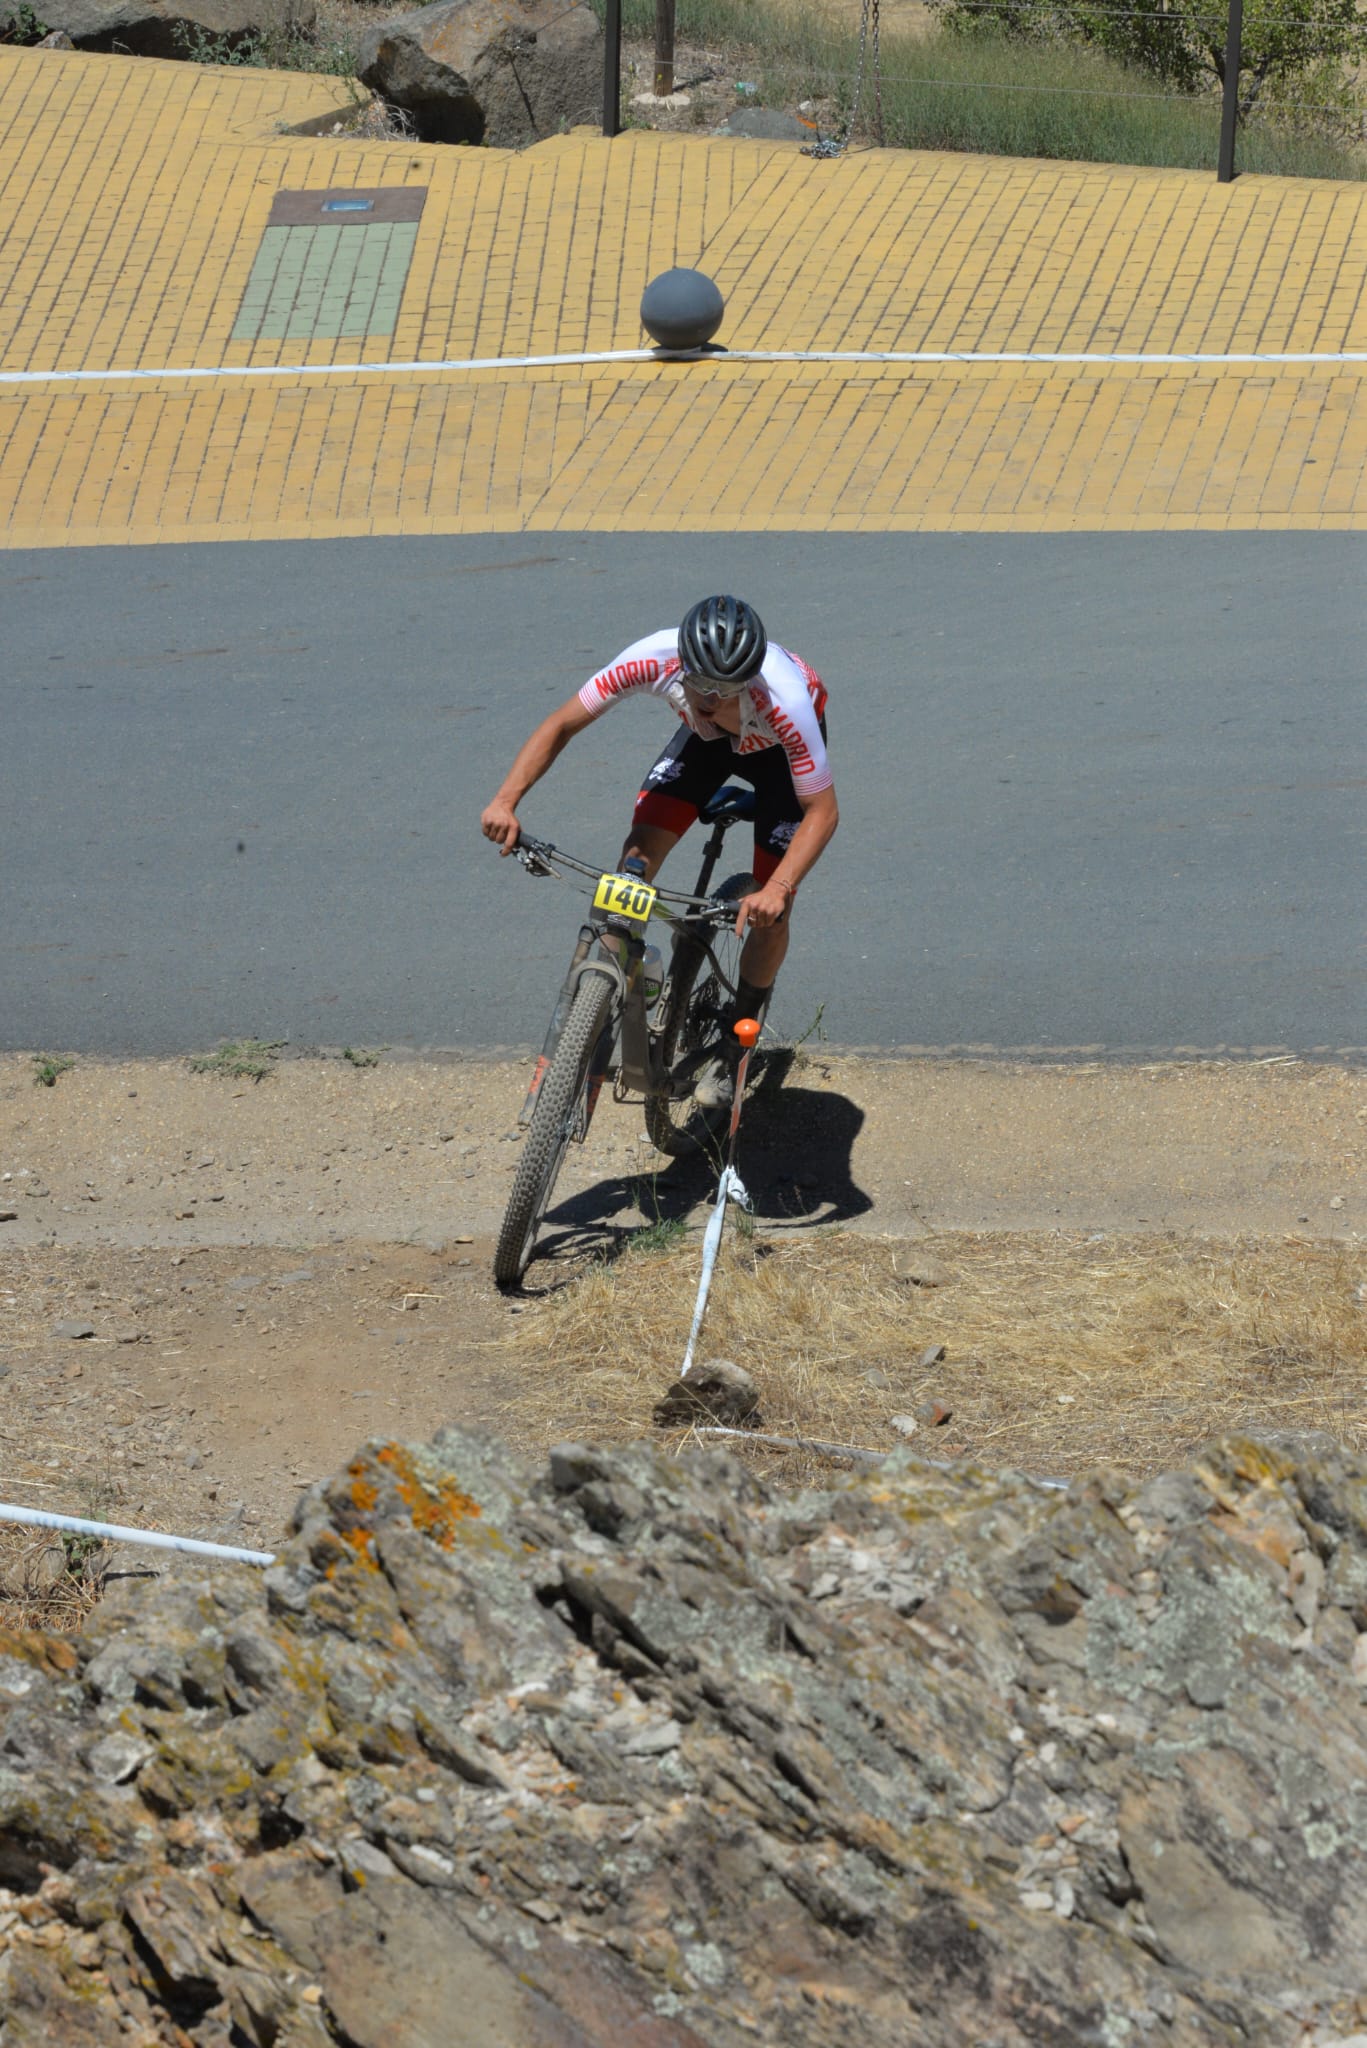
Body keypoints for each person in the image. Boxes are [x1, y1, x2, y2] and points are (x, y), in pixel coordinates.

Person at [481, 594, 839, 1100]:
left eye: (727, 688)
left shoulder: (786, 702)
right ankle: (597, 1008)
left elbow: (823, 812)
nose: (711, 698)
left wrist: (778, 889)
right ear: (681, 666)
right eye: (701, 686)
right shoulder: (651, 658)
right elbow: (563, 722)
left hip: (779, 761)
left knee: (769, 914)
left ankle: (742, 1036)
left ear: (751, 679)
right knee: (633, 864)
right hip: (707, 746)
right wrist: (505, 800)